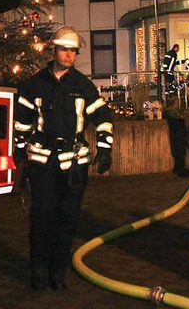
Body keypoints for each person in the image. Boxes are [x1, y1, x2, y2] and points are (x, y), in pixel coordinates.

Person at [13, 25, 114, 291]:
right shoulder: (34, 84)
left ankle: (58, 271)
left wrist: (105, 147)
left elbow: (102, 117)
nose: (69, 55)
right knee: (41, 217)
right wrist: (18, 148)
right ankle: (38, 269)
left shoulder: (83, 85)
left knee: (67, 218)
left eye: (73, 51)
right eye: (64, 49)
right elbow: (22, 121)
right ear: (54, 50)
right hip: (43, 163)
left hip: (75, 166)